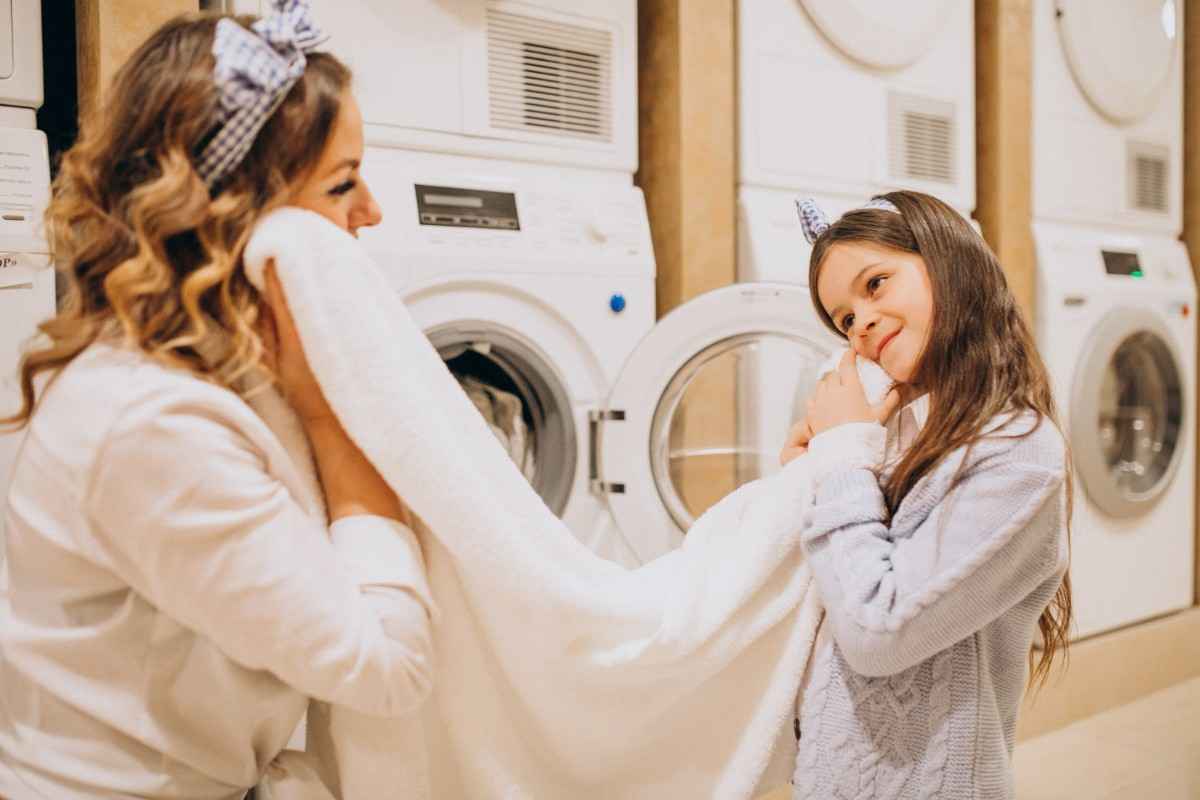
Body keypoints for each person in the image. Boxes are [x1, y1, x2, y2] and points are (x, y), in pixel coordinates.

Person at [0, 4, 434, 798]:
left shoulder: (214, 371)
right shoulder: (153, 424)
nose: (370, 211)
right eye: (343, 184)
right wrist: (330, 420)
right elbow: (389, 668)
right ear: (237, 219)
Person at [781, 191, 1072, 799]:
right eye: (842, 319)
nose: (860, 323)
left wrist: (840, 461)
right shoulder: (899, 431)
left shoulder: (1020, 453)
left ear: (947, 261)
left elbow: (879, 630)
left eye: (876, 284)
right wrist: (805, 473)